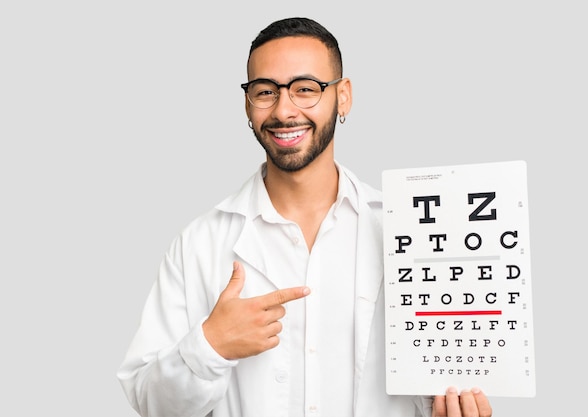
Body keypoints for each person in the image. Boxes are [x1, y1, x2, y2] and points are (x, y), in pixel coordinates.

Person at [117, 16, 493, 417]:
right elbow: (149, 404)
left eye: (305, 90)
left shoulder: (411, 231)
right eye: (265, 91)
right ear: (248, 103)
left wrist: (453, 405)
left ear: (343, 96)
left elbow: (446, 380)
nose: (283, 110)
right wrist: (211, 346)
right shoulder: (199, 244)